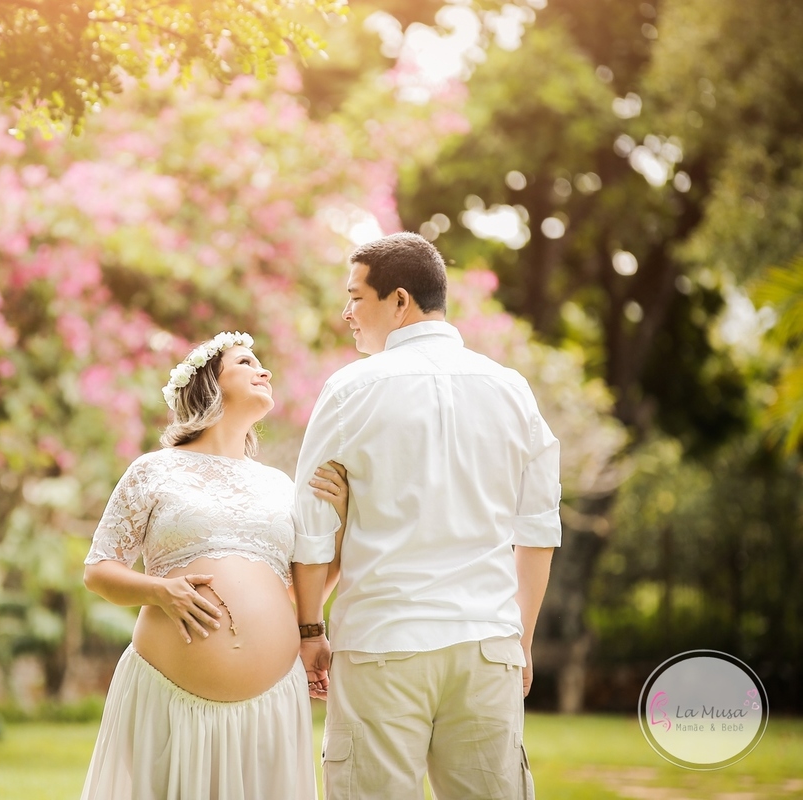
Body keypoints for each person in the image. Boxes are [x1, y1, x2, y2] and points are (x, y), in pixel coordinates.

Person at [292, 232, 561, 800]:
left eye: (355, 297)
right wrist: (521, 640)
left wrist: (311, 628)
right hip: (487, 644)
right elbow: (537, 531)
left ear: (399, 301)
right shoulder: (512, 389)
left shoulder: (349, 390)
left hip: (383, 643)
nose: (346, 313)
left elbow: (311, 527)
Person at [80, 331, 348, 800]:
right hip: (168, 693)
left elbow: (297, 590)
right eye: (246, 362)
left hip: (272, 700)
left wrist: (341, 526)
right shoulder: (154, 470)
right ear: (210, 384)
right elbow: (99, 570)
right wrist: (160, 591)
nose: (263, 371)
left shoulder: (280, 485)